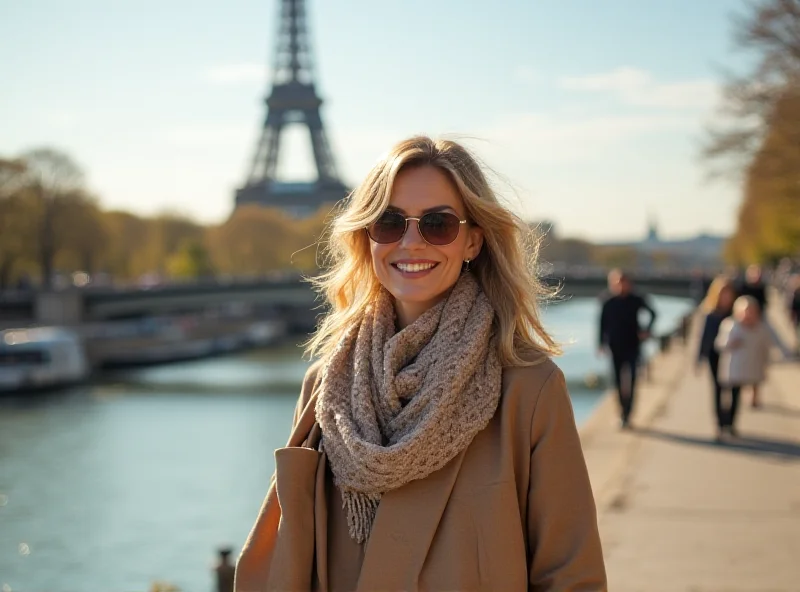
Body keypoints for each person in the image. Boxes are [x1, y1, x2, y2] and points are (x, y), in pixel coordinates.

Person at [234, 136, 607, 591]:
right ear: (366, 239)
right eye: (389, 223)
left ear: (473, 241)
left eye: (438, 224)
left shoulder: (529, 389)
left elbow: (571, 576)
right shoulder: (324, 387)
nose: (411, 242)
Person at [598, 269, 657, 429]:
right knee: (617, 381)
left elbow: (653, 313)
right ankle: (622, 413)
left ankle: (629, 413)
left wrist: (646, 330)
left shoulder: (637, 299)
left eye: (623, 282)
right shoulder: (608, 301)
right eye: (617, 283)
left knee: (632, 380)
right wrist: (600, 344)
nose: (621, 286)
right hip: (615, 346)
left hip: (633, 346)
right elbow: (602, 323)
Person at [715, 296, 779, 435]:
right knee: (728, 397)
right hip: (732, 368)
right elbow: (719, 344)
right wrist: (731, 344)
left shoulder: (760, 328)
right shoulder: (730, 325)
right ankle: (723, 422)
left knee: (735, 397)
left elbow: (766, 348)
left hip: (748, 369)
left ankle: (730, 424)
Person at [696, 276, 736, 440]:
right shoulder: (710, 313)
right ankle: (719, 423)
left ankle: (730, 422)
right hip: (715, 355)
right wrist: (699, 358)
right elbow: (704, 337)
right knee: (718, 389)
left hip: (733, 356)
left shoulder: (736, 313)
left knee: (734, 389)